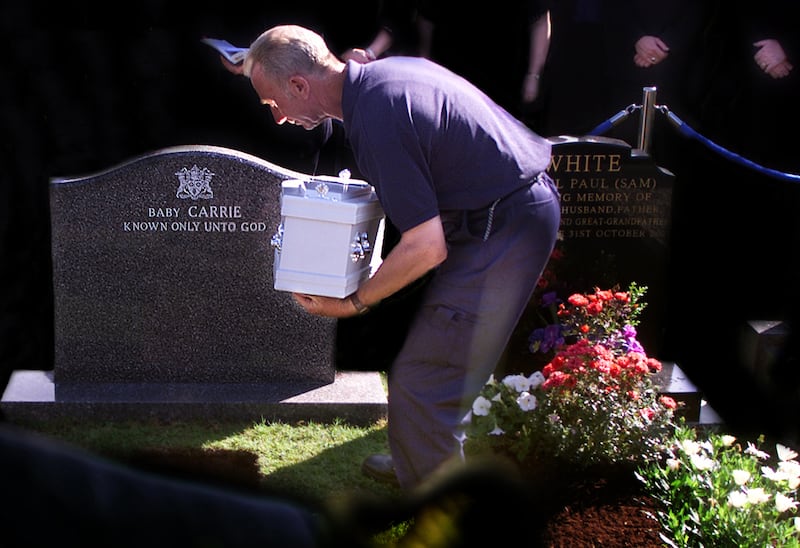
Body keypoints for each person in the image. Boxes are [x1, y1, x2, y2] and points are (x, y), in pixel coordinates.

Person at [240, 25, 560, 489]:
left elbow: (426, 247)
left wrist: (352, 303)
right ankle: (419, 455)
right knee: (429, 360)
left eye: (274, 104)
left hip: (503, 222)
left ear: (298, 85)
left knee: (427, 376)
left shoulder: (376, 117)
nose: (279, 118)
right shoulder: (383, 79)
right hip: (499, 211)